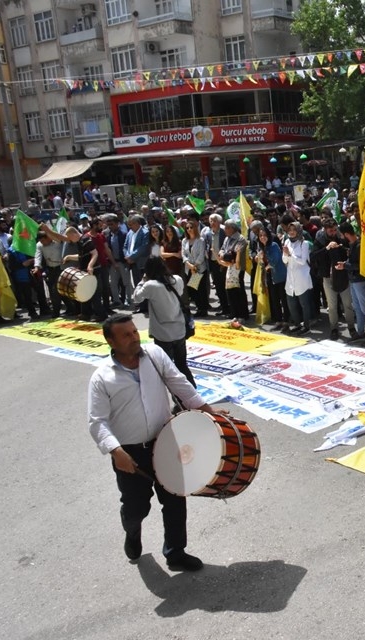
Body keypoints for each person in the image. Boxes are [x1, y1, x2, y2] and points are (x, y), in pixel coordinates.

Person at [88, 314, 216, 570]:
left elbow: (179, 384)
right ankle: (132, 532)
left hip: (166, 442)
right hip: (130, 455)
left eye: (135, 331)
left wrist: (208, 412)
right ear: (110, 341)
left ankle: (175, 553)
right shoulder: (102, 378)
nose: (134, 337)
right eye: (126, 335)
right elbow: (97, 421)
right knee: (136, 508)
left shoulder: (155, 355)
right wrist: (115, 451)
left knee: (175, 501)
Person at [132, 256, 196, 388]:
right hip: (179, 331)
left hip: (162, 334)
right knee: (182, 365)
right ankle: (191, 394)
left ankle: (177, 398)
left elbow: (136, 298)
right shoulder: (177, 280)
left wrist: (142, 281)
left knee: (166, 370)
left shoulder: (150, 285)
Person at [282, 221, 314, 334]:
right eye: (289, 230)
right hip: (290, 276)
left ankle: (306, 326)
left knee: (304, 304)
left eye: (294, 230)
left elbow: (302, 261)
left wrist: (290, 255)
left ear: (298, 231)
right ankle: (297, 323)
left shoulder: (303, 243)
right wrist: (286, 255)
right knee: (291, 303)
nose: (291, 232)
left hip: (302, 277)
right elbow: (284, 260)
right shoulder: (286, 241)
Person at [218, 220, 249, 322]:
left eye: (226, 228)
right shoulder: (227, 238)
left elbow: (233, 254)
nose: (225, 230)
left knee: (238, 291)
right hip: (229, 267)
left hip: (238, 268)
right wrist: (223, 254)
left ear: (232, 228)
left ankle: (243, 315)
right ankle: (234, 313)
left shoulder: (241, 239)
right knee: (230, 291)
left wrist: (225, 255)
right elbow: (222, 250)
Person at [181, 220, 209, 317]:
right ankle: (198, 307)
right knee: (193, 289)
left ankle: (203, 309)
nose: (189, 229)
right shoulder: (185, 241)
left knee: (201, 290)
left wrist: (195, 266)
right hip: (189, 268)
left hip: (199, 268)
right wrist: (189, 265)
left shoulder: (200, 240)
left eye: (191, 227)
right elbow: (183, 254)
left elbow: (201, 255)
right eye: (187, 228)